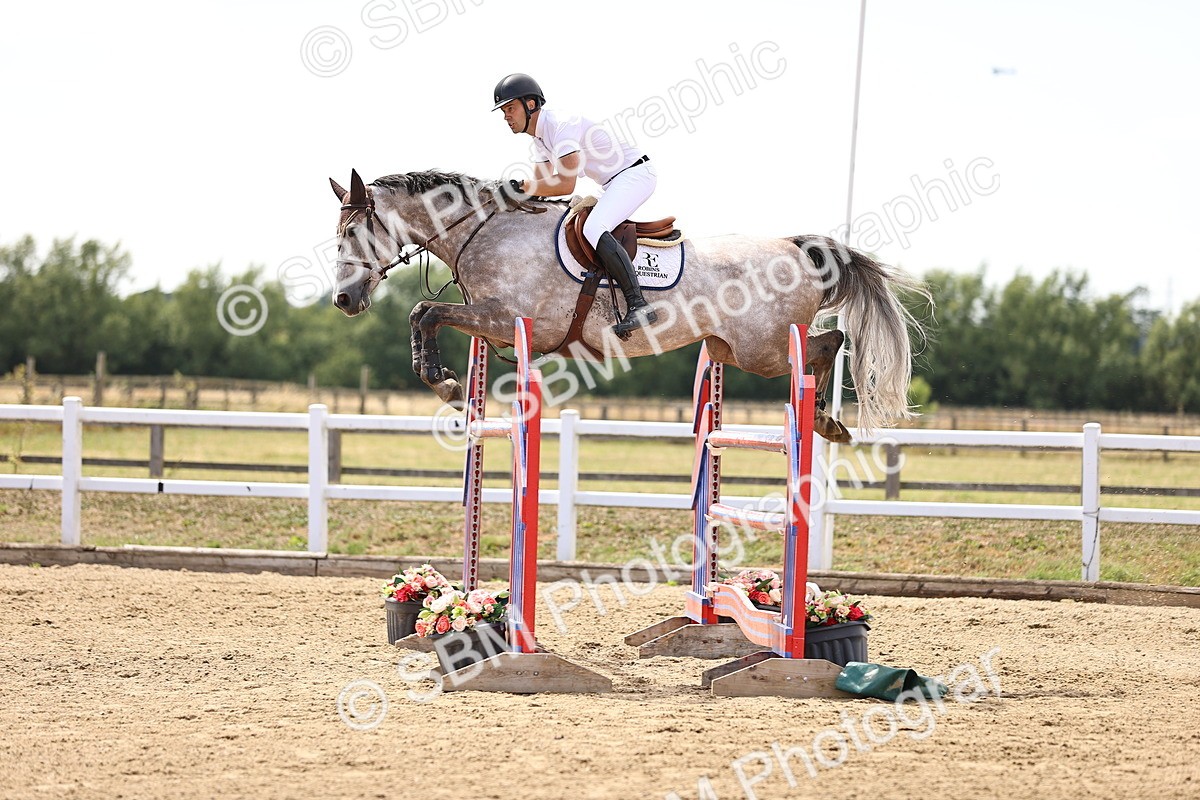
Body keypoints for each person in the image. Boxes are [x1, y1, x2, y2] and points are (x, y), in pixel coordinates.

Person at [493, 73, 658, 333]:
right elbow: (541, 189)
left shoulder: (561, 126)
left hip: (635, 174)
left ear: (531, 105)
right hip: (612, 183)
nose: (506, 116)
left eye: (510, 108)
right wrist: (512, 196)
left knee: (593, 228)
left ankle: (639, 304)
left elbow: (565, 185)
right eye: (503, 111)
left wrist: (520, 187)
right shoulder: (539, 141)